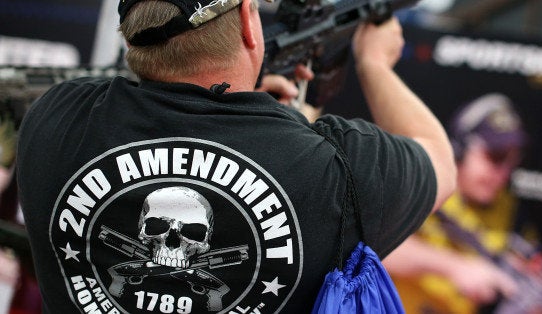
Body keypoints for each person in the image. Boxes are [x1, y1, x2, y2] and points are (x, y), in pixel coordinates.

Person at [15, 0, 456, 312]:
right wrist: (373, 64)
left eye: (186, 231)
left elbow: (169, 116)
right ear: (249, 20)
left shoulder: (56, 118)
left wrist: (257, 116)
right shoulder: (338, 169)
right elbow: (438, 158)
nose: (171, 240)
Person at [383, 93, 528, 314]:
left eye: (512, 161)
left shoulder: (510, 208)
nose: (503, 174)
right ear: (460, 148)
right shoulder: (423, 184)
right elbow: (375, 248)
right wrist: (456, 267)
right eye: (495, 157)